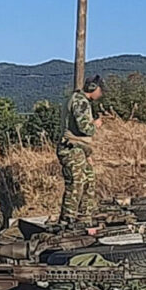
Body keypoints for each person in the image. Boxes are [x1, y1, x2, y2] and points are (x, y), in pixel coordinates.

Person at [57, 74, 104, 224]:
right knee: (76, 183)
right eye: (100, 90)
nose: (101, 93)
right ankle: (68, 220)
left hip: (79, 149)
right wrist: (95, 125)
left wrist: (87, 153)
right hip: (72, 148)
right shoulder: (80, 101)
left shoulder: (80, 100)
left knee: (89, 181)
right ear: (93, 88)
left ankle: (84, 217)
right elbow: (84, 128)